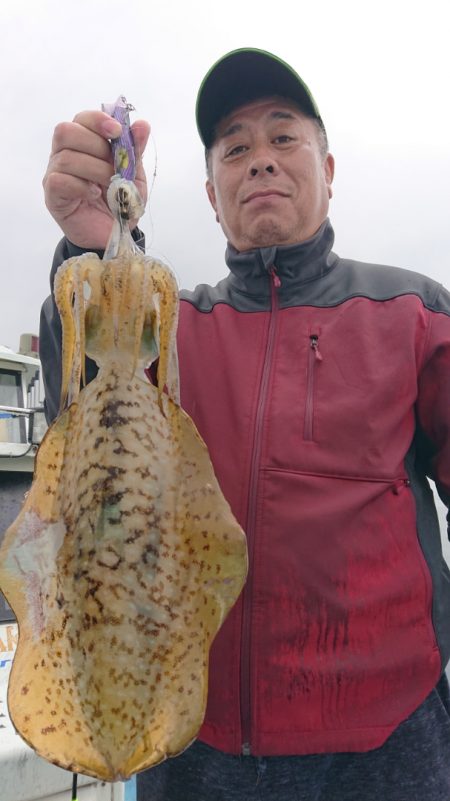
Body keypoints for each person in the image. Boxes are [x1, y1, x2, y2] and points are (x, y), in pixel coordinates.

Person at [40, 49, 450, 800]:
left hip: (387, 744)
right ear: (209, 190)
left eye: (283, 138)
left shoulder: (414, 313)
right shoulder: (172, 326)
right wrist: (95, 249)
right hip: (197, 743)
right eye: (235, 147)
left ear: (330, 168)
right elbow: (88, 395)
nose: (259, 159)